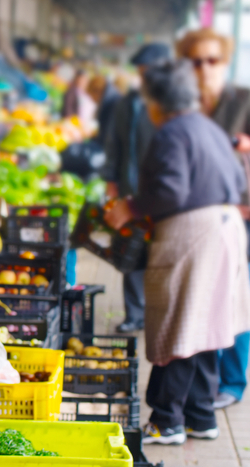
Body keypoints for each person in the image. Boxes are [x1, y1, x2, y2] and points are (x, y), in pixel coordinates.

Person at [104, 60, 250, 445]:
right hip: (226, 227)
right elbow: (238, 180)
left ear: (155, 102)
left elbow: (171, 191)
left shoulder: (171, 133)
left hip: (193, 233)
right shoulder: (210, 128)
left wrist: (131, 208)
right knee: (206, 324)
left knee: (178, 322)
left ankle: (167, 420)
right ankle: (201, 416)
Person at [177, 27, 250, 409]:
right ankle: (202, 386)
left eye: (212, 60)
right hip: (197, 215)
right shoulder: (185, 104)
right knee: (203, 296)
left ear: (224, 61)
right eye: (195, 61)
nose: (204, 68)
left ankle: (233, 382)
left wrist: (243, 143)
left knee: (235, 295)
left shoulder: (243, 100)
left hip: (241, 211)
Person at [102, 43, 172, 334]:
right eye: (141, 73)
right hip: (131, 191)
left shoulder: (172, 104)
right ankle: (134, 314)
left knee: (160, 256)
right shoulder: (127, 102)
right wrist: (111, 179)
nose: (143, 79)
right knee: (130, 251)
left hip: (161, 193)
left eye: (148, 72)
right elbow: (114, 143)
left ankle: (159, 315)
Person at [87, 74, 121, 145]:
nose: (92, 100)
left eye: (91, 96)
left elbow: (108, 134)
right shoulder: (111, 99)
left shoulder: (111, 103)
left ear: (97, 91)